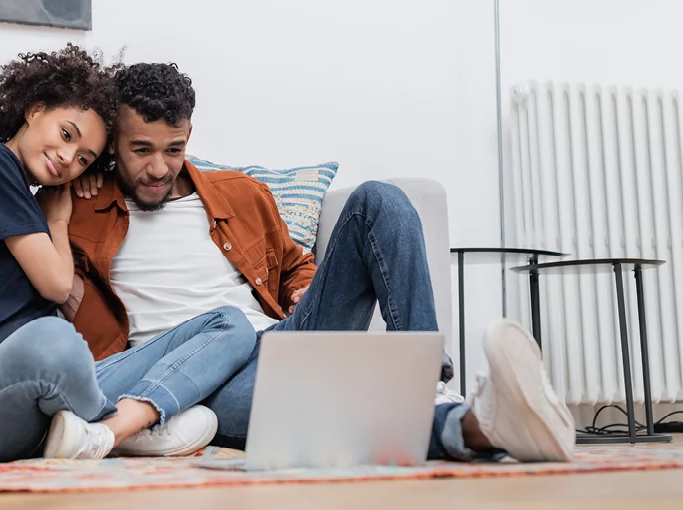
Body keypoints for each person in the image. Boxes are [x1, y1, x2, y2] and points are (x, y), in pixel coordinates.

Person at [60, 62, 575, 463]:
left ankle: (427, 377)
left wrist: (302, 291)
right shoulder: (75, 206)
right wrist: (74, 186)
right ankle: (481, 425)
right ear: (111, 141)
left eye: (173, 149)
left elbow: (294, 266)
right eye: (140, 149)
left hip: (273, 342)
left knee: (381, 200)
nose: (158, 167)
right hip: (185, 380)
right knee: (323, 412)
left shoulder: (238, 194)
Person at [0, 45, 257, 463]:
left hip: (48, 405)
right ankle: (131, 428)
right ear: (34, 108)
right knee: (54, 339)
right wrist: (57, 221)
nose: (67, 159)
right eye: (66, 135)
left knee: (231, 323)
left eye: (84, 159)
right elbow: (57, 284)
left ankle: (110, 431)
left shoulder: (33, 197)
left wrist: (79, 190)